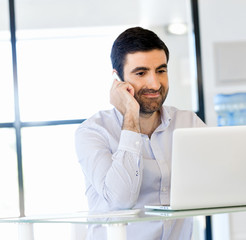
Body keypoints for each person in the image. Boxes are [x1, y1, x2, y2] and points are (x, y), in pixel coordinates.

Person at [75, 26, 206, 240]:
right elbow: (121, 199)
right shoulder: (92, 132)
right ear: (117, 80)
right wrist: (131, 116)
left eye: (161, 71)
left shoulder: (187, 123)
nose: (155, 83)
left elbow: (218, 184)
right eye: (141, 73)